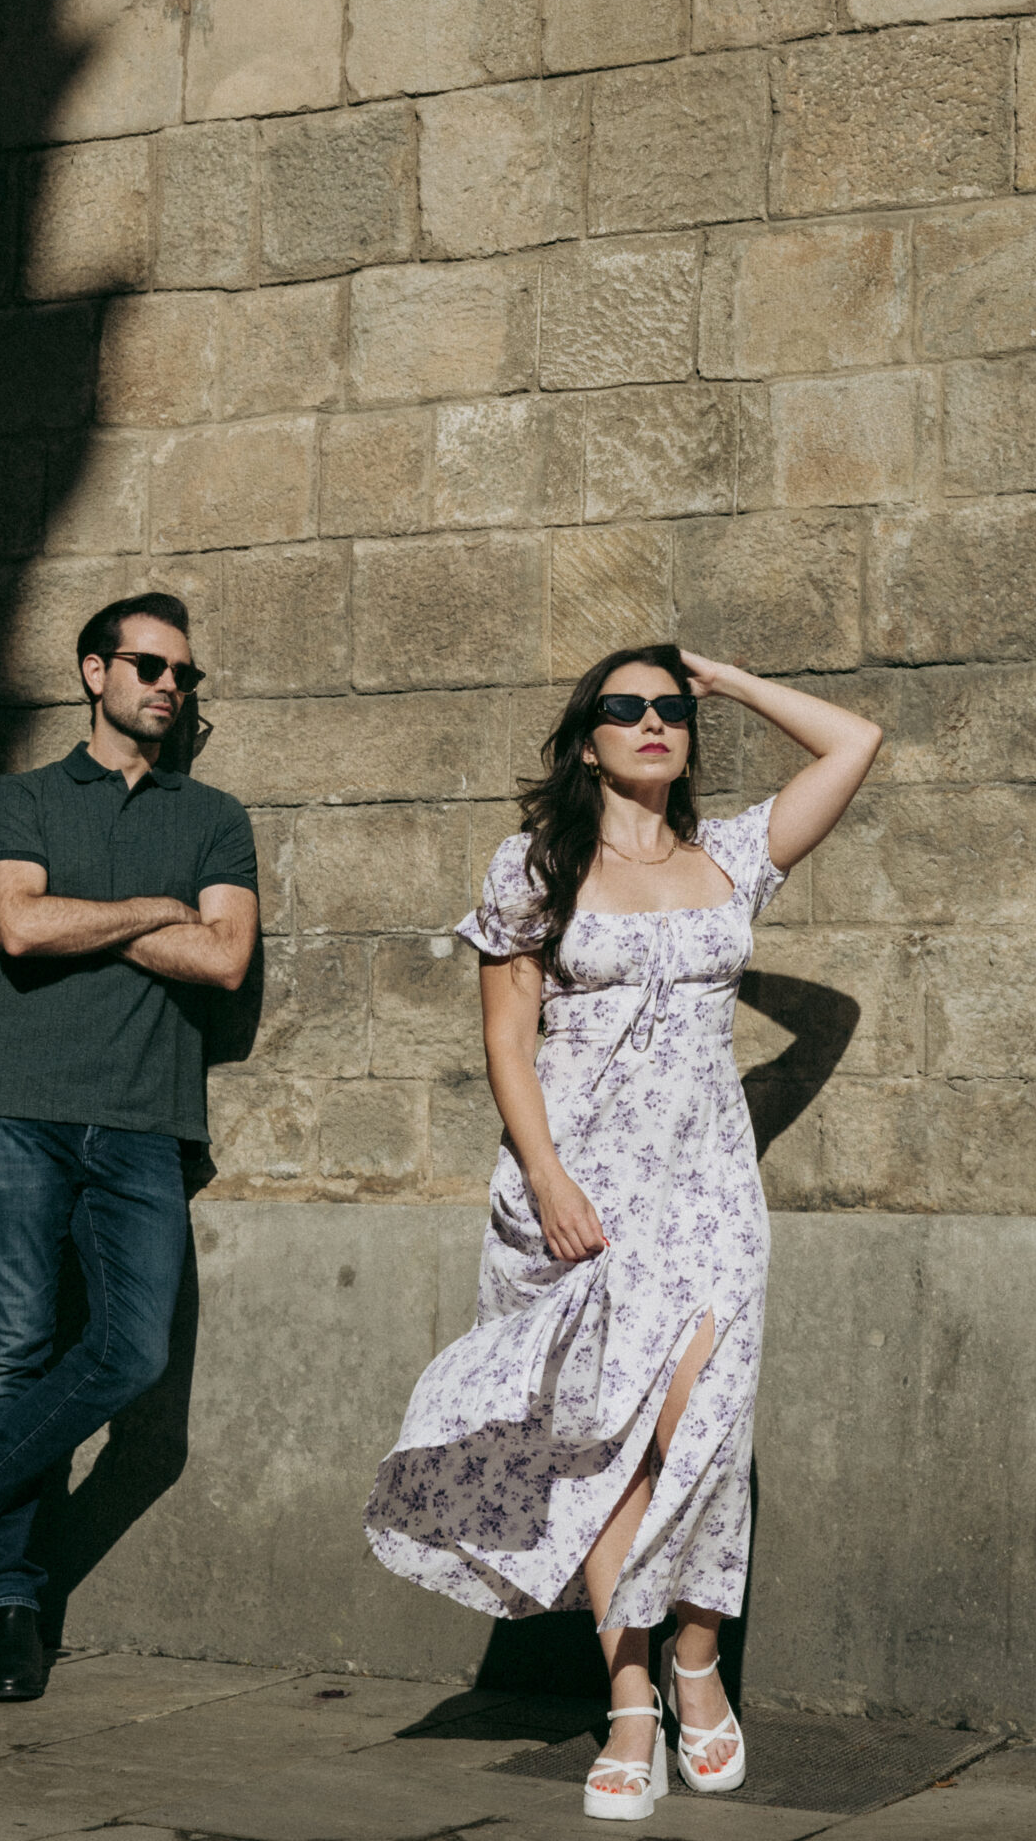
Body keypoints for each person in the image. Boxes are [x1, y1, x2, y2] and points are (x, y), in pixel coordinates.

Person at [366, 643, 881, 1821]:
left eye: (671, 708)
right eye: (625, 706)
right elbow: (506, 1040)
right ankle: (635, 1695)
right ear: (587, 739)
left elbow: (855, 742)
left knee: (705, 1427)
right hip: (580, 1189)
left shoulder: (733, 857)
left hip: (709, 1193)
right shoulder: (534, 865)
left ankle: (698, 1660)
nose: (653, 720)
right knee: (609, 1443)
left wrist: (732, 681)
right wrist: (546, 1176)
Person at [0, 591, 259, 1702]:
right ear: (93, 672)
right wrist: (154, 908)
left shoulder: (214, 816)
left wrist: (92, 916)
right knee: (14, 1356)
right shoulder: (22, 796)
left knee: (131, 1355)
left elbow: (224, 960)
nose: (169, 686)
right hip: (19, 1108)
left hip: (147, 1120)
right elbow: (20, 928)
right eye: (149, 666)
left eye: (184, 674)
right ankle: (16, 1611)